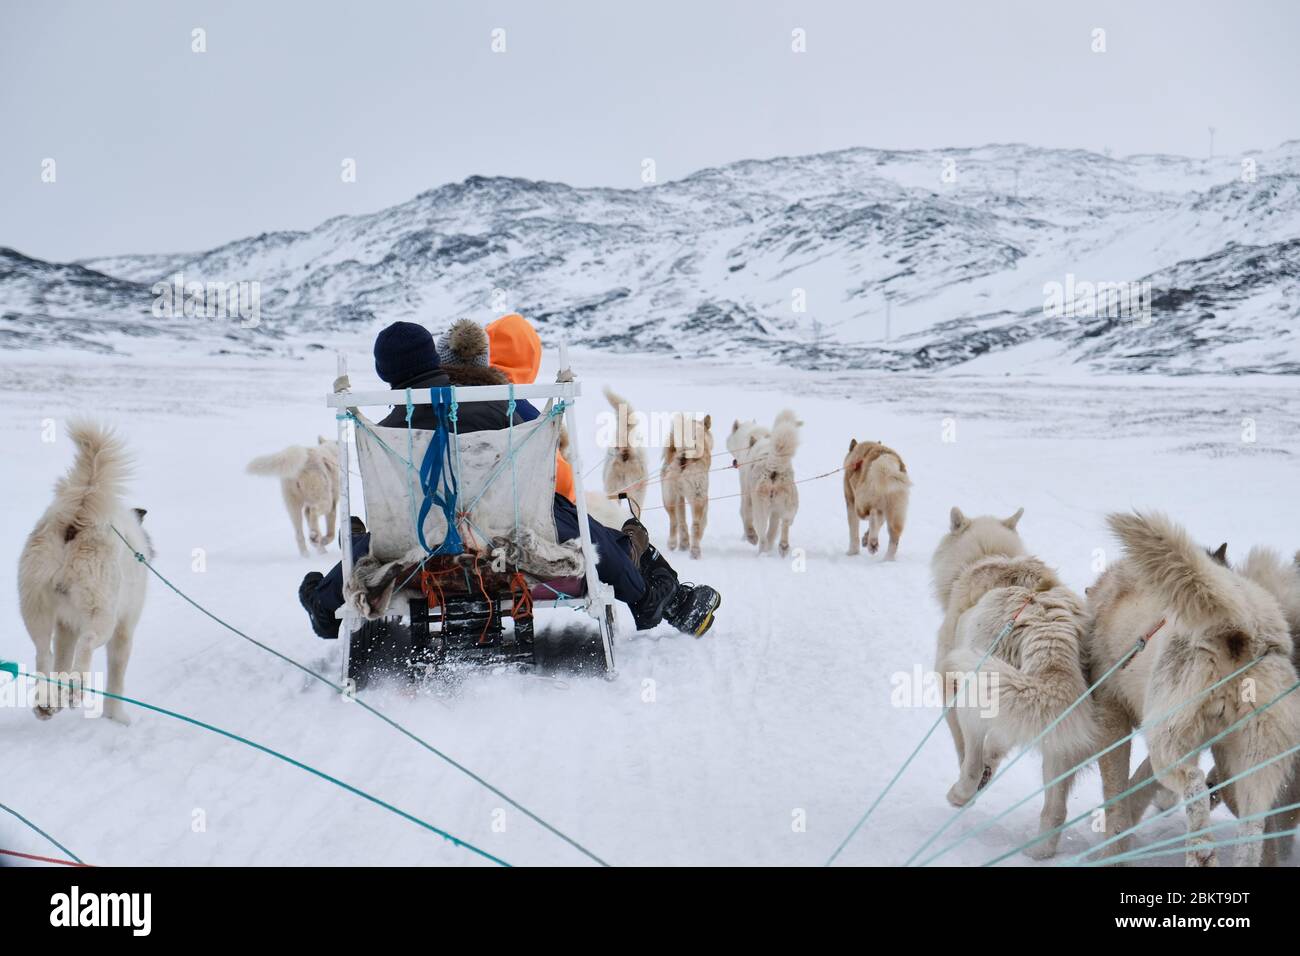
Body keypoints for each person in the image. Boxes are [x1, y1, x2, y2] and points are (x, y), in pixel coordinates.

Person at [298, 318, 721, 641]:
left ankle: (321, 601)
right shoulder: (507, 412)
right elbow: (565, 497)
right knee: (580, 524)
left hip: (419, 552)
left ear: (385, 372)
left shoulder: (386, 432)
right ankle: (663, 599)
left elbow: (384, 541)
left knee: (372, 537)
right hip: (514, 548)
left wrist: (326, 596)